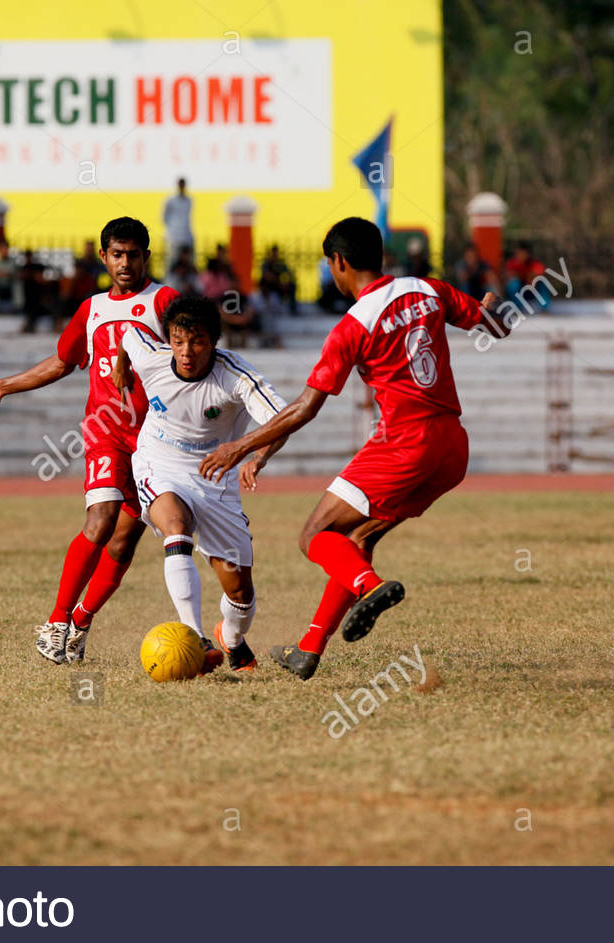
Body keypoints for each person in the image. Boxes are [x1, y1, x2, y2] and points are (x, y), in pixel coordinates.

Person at [200, 217, 503, 680]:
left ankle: (370, 586)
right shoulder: (427, 288)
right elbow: (492, 325)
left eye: (330, 266)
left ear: (339, 263)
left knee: (314, 536)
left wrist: (239, 446)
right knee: (357, 540)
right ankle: (308, 649)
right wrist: (489, 306)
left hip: (405, 443)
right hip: (452, 448)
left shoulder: (353, 325)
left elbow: (305, 408)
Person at [0, 218, 177, 664]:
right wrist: (4, 385)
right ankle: (57, 621)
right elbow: (62, 363)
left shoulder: (165, 302)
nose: (125, 263)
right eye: (117, 254)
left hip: (156, 441)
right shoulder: (92, 309)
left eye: (133, 254)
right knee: (99, 522)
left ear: (146, 257)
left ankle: (80, 623)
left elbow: (194, 353)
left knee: (123, 542)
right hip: (106, 435)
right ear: (103, 257)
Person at [110, 294, 287, 672]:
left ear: (214, 341)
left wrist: (257, 456)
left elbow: (283, 418)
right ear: (168, 339)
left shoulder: (235, 376)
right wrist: (122, 368)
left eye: (197, 341)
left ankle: (232, 638)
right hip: (159, 462)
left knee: (240, 594)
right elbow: (128, 334)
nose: (186, 351)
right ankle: (194, 637)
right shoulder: (152, 358)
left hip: (215, 478)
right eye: (177, 340)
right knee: (176, 526)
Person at [504, 241, 548, 309]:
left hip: (532, 289)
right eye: (518, 253)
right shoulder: (512, 264)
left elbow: (540, 273)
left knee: (542, 283)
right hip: (520, 291)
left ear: (528, 254)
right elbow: (508, 276)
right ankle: (518, 307)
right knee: (513, 284)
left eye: (523, 253)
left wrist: (530, 278)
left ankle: (545, 307)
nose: (520, 256)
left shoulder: (534, 263)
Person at [162, 177, 193, 274]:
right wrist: (171, 230)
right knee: (172, 261)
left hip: (186, 235)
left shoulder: (189, 200)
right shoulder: (171, 200)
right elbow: (165, 217)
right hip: (174, 237)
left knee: (188, 262)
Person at [259, 244, 297, 315]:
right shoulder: (266, 264)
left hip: (278, 286)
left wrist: (286, 282)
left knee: (292, 286)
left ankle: (293, 309)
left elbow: (288, 273)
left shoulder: (280, 263)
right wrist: (279, 283)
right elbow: (268, 276)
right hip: (269, 287)